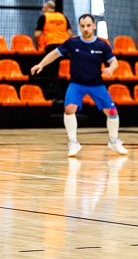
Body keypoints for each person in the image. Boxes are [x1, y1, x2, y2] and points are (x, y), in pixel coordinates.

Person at [31, 14, 128, 157]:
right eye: (83, 26)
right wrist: (41, 64)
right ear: (79, 27)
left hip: (96, 84)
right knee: (69, 109)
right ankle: (73, 143)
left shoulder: (102, 45)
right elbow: (54, 54)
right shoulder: (72, 42)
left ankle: (114, 141)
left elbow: (114, 62)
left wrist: (111, 68)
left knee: (112, 112)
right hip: (77, 83)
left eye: (88, 25)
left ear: (94, 26)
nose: (86, 29)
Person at [34, 0, 73, 100]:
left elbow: (37, 34)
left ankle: (58, 96)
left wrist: (39, 45)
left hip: (51, 46)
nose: (42, 9)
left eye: (43, 7)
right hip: (65, 46)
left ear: (47, 8)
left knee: (52, 71)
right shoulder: (63, 17)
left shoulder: (44, 17)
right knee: (67, 71)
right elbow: (70, 33)